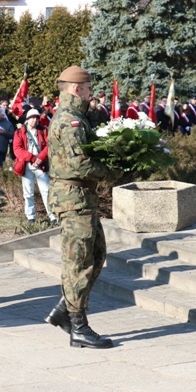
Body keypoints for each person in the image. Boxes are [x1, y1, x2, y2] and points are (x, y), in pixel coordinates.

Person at [44, 65, 114, 350]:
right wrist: (110, 171)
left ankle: (65, 309)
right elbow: (77, 164)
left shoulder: (78, 117)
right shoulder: (69, 120)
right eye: (87, 88)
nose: (90, 93)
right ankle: (78, 327)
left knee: (97, 255)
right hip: (73, 200)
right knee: (79, 262)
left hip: (81, 198)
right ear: (76, 89)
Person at [13, 108, 56, 224]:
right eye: (32, 118)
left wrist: (40, 158)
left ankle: (52, 216)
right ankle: (30, 217)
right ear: (27, 120)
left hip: (40, 165)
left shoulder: (44, 131)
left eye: (36, 118)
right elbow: (17, 150)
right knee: (28, 192)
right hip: (26, 165)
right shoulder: (19, 132)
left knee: (46, 190)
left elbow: (49, 145)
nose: (34, 121)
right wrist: (32, 158)